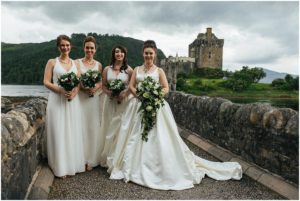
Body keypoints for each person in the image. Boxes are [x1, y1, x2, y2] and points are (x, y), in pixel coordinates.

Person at [108, 40, 243, 190]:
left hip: (155, 105)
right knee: (135, 135)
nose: (148, 56)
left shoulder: (159, 71)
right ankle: (135, 165)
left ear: (155, 54)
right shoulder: (138, 70)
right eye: (146, 53)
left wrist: (155, 95)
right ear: (143, 53)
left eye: (151, 53)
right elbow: (132, 86)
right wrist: (139, 95)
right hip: (138, 106)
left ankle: (159, 166)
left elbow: (166, 88)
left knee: (159, 137)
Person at [43, 34, 85, 178]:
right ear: (58, 46)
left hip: (72, 102)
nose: (65, 47)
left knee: (71, 131)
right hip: (56, 100)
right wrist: (60, 90)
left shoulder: (76, 64)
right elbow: (46, 82)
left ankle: (71, 164)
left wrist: (74, 93)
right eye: (62, 45)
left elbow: (78, 83)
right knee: (59, 131)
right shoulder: (52, 62)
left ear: (70, 46)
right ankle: (60, 166)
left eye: (67, 45)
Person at [99, 45, 133, 167]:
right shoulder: (107, 69)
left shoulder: (129, 70)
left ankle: (118, 157)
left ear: (124, 54)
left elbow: (132, 86)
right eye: (117, 52)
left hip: (124, 103)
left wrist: (124, 94)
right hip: (110, 101)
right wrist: (110, 93)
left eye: (121, 52)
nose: (119, 54)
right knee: (109, 126)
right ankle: (107, 155)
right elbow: (103, 86)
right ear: (113, 54)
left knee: (120, 128)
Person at [77, 36, 103, 171]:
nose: (89, 50)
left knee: (92, 127)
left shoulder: (98, 65)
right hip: (80, 99)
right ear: (84, 48)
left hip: (93, 100)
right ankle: (80, 158)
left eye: (92, 48)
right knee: (80, 127)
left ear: (95, 49)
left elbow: (100, 82)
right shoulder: (77, 63)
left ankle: (91, 159)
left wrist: (95, 88)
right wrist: (84, 88)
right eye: (87, 47)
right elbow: (76, 81)